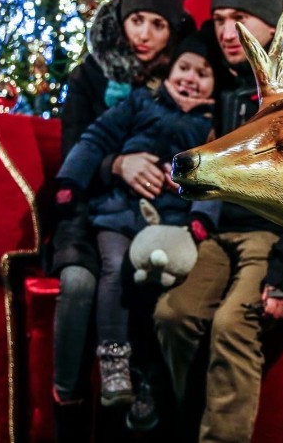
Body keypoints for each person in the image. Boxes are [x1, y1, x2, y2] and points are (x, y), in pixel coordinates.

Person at [154, 0, 283, 442]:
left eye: (240, 19)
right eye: (220, 19)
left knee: (231, 323)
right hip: (214, 230)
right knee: (172, 314)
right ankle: (179, 427)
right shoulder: (213, 72)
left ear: (271, 21)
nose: (228, 31)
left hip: (270, 239)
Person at [50, 0, 192, 440]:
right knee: (78, 282)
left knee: (149, 277)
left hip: (151, 211)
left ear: (173, 31)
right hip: (89, 208)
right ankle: (66, 406)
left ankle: (144, 393)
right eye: (137, 22)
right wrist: (117, 164)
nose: (144, 35)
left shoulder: (182, 80)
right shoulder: (91, 75)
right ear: (121, 20)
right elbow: (76, 146)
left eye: (158, 25)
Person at [55, 35, 219, 416]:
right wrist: (70, 182)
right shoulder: (140, 102)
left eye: (203, 74)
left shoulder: (209, 129)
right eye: (184, 69)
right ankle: (113, 357)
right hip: (117, 213)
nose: (191, 79)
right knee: (115, 268)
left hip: (167, 225)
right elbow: (95, 138)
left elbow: (214, 182)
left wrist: (199, 219)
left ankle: (146, 378)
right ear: (168, 72)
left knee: (155, 286)